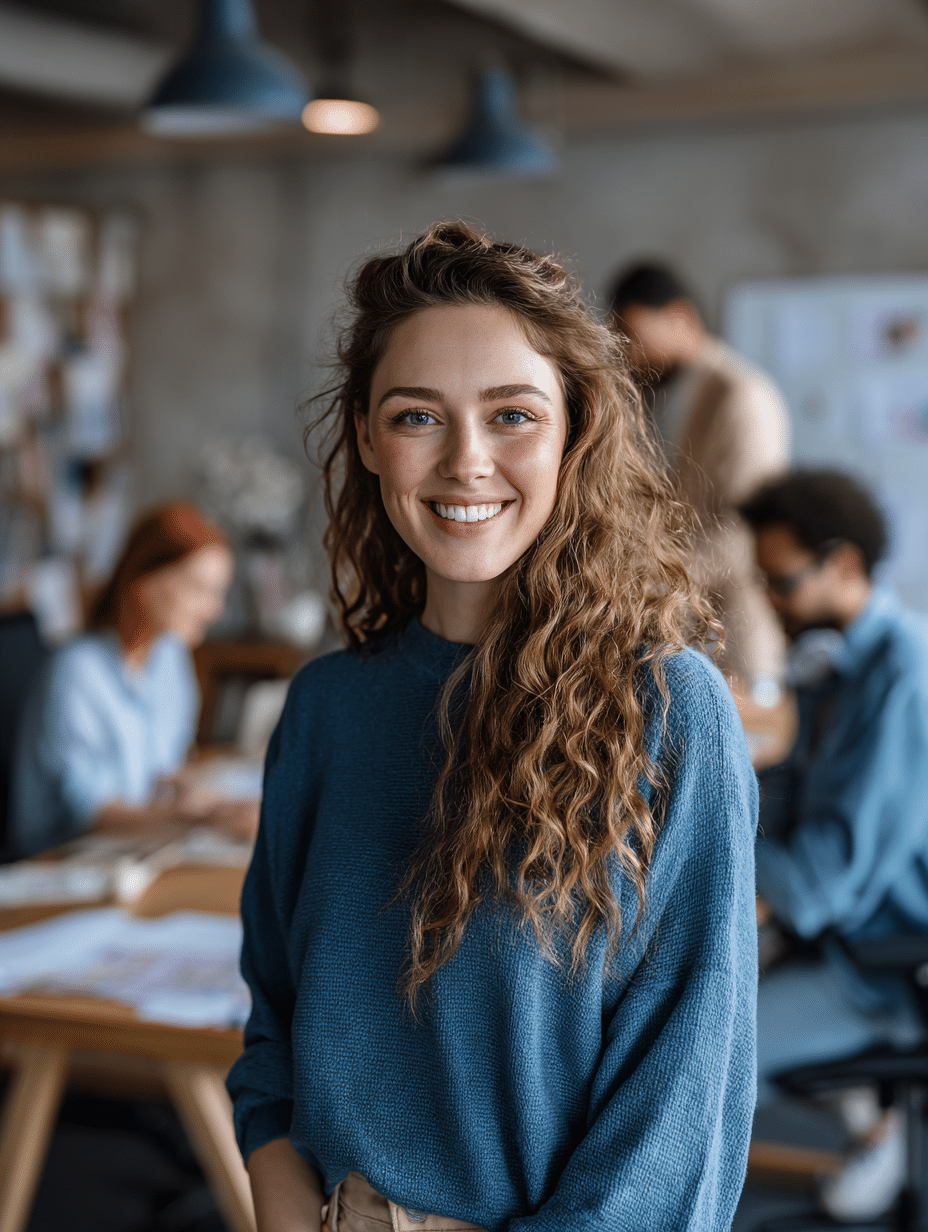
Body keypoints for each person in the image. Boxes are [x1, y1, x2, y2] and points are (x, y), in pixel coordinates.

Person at [227, 222, 758, 1232]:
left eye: (511, 413)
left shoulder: (671, 708)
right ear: (373, 441)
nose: (467, 461)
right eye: (418, 414)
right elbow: (275, 1015)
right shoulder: (325, 707)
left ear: (574, 433)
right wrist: (282, 1190)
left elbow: (678, 1116)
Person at [740, 469, 928, 1223]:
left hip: (880, 969)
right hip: (828, 942)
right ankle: (868, 1117)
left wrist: (705, 836)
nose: (770, 603)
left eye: (782, 582)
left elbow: (817, 883)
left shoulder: (901, 677)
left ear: (844, 566)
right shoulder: (830, 664)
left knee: (696, 1053)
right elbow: (786, 812)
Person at [10, 500, 258, 857]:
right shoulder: (75, 673)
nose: (214, 610)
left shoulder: (170, 660)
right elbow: (90, 813)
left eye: (218, 593)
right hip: (61, 863)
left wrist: (206, 798)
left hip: (132, 853)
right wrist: (198, 822)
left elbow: (161, 769)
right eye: (198, 588)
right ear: (144, 581)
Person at [609, 261, 790, 710]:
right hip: (684, 629)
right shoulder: (669, 392)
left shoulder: (742, 394)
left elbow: (745, 529)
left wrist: (649, 585)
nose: (630, 354)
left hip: (734, 635)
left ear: (681, 318)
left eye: (636, 336)